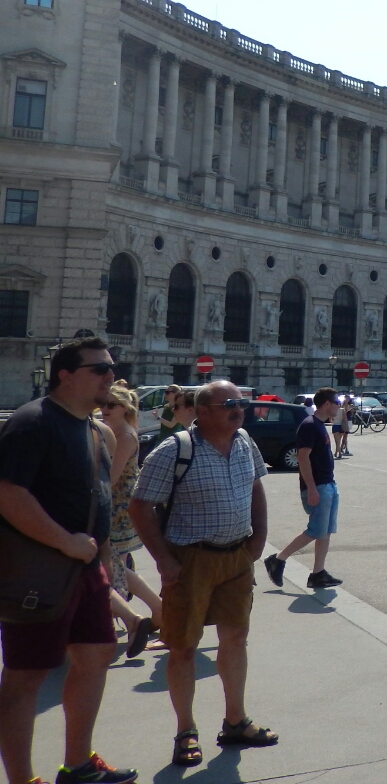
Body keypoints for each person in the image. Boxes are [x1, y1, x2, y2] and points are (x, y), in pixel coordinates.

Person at [0, 336, 138, 784]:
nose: (111, 377)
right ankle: (22, 779)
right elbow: (8, 494)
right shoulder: (33, 422)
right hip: (36, 572)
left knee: (98, 653)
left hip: (84, 567)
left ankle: (77, 764)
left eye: (112, 368)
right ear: (66, 374)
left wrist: (95, 552)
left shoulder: (96, 429)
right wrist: (63, 541)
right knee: (26, 677)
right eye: (100, 369)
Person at [130, 381, 277, 767]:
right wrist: (164, 561)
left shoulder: (244, 440)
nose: (238, 409)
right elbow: (140, 506)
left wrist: (258, 540)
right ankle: (185, 732)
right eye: (229, 404)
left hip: (237, 557)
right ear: (203, 410)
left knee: (236, 637)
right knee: (183, 647)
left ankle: (235, 721)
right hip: (190, 560)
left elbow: (256, 488)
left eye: (240, 403)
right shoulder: (175, 450)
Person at [98, 383, 164, 659]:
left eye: (111, 405)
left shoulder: (124, 435)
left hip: (117, 507)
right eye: (102, 404)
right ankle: (159, 609)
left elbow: (111, 478)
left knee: (111, 566)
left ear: (125, 408)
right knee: (115, 565)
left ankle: (136, 615)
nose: (104, 409)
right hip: (112, 505)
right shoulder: (112, 431)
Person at [264, 388, 343, 591]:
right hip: (318, 486)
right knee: (315, 530)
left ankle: (318, 573)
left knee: (324, 532)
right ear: (327, 404)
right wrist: (312, 488)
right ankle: (278, 559)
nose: (339, 406)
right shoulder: (309, 426)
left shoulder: (319, 425)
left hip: (328, 484)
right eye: (337, 402)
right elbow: (302, 458)